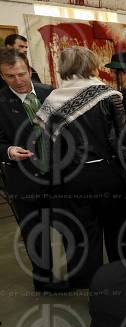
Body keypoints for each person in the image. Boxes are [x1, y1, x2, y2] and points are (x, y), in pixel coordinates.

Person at [36, 46, 126, 289]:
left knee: (83, 235)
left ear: (64, 67)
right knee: (116, 230)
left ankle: (91, 285)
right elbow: (122, 140)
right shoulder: (108, 95)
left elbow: (48, 146)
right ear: (90, 65)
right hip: (108, 174)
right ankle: (121, 282)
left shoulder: (52, 100)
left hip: (71, 177)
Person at [0, 48, 68, 292]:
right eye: (9, 77)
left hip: (58, 178)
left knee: (70, 226)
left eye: (21, 74)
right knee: (36, 234)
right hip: (23, 180)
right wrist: (8, 151)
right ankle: (44, 281)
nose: (17, 81)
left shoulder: (49, 93)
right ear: (2, 76)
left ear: (29, 70)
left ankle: (76, 274)